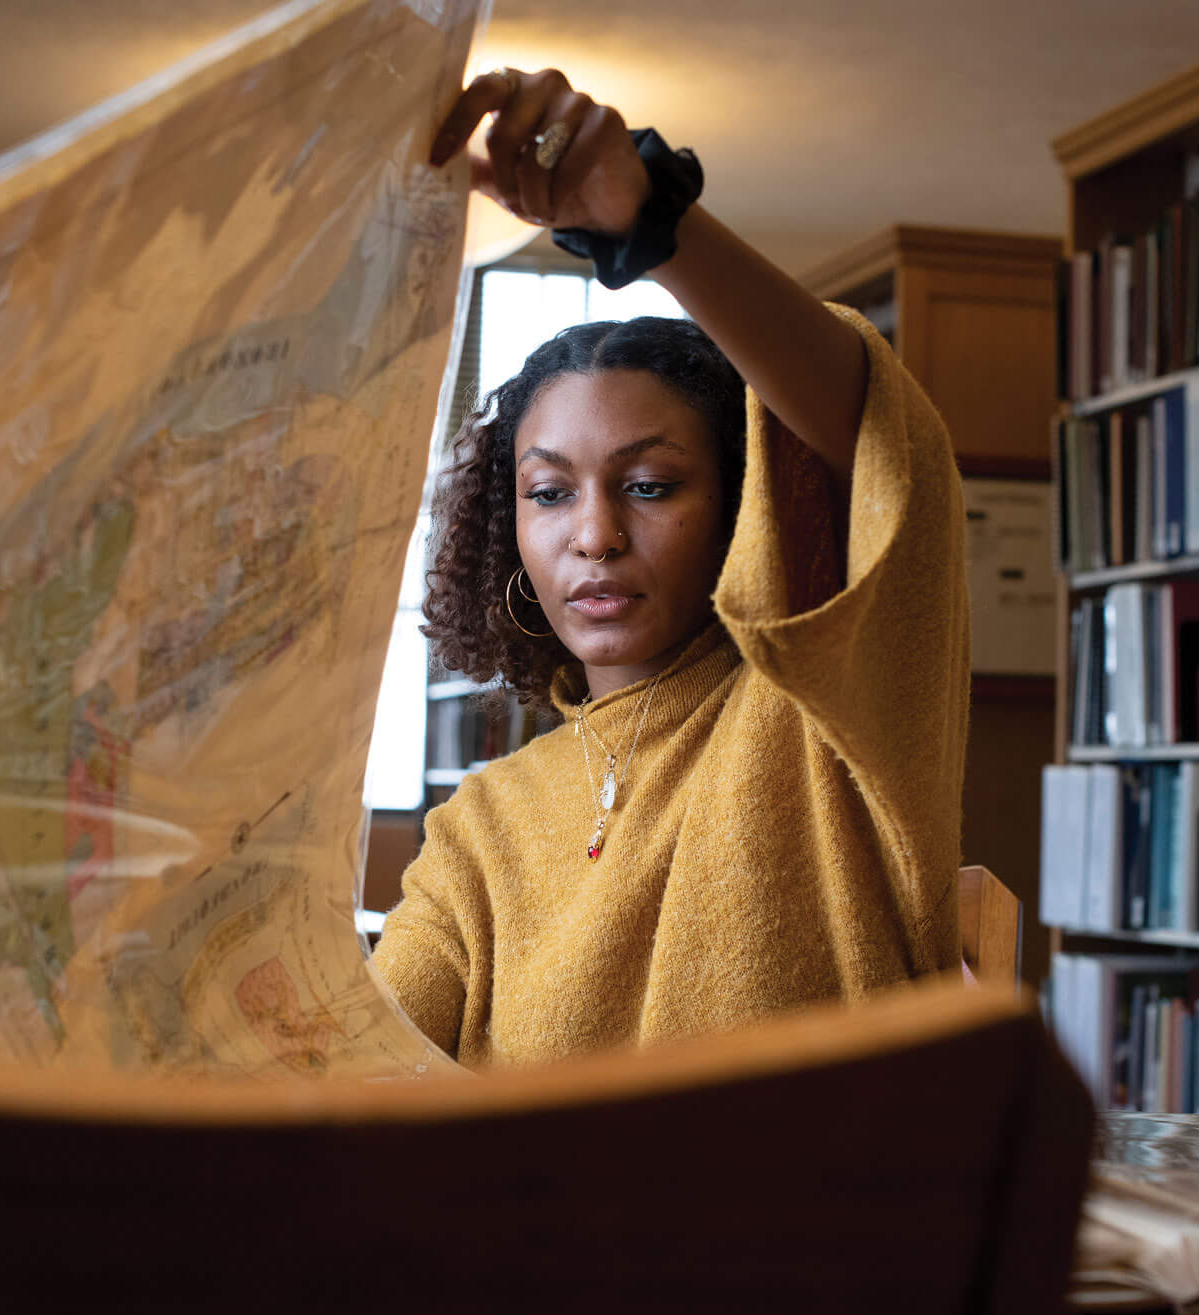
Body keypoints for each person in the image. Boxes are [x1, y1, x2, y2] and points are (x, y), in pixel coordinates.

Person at [370, 66, 970, 1066]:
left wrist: (653, 223)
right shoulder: (483, 826)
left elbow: (877, 438)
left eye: (648, 487)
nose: (593, 535)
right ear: (506, 529)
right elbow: (371, 1064)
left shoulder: (831, 713)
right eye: (550, 493)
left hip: (820, 1223)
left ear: (750, 507)